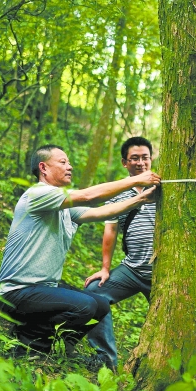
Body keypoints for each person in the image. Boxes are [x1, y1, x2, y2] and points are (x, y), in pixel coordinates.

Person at [0, 144, 160, 356]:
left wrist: (140, 199)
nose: (69, 167)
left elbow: (101, 213)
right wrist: (135, 180)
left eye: (69, 162)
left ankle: (59, 343)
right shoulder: (37, 194)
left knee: (100, 305)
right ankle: (32, 342)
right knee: (85, 306)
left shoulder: (63, 204)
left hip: (43, 289)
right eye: (63, 162)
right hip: (16, 293)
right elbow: (90, 197)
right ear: (43, 168)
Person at [84, 136, 156, 369]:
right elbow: (111, 229)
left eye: (145, 157)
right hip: (132, 269)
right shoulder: (118, 191)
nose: (141, 162)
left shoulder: (165, 186)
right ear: (125, 162)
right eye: (134, 158)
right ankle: (105, 361)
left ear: (151, 158)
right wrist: (105, 268)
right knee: (94, 293)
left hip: (164, 273)